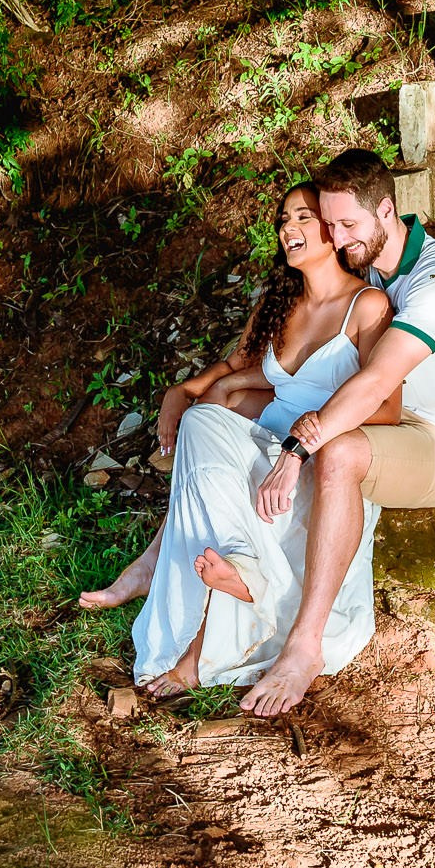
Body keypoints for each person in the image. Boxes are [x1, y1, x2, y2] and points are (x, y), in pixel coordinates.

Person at [79, 182, 397, 695]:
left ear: (334, 230)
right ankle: (226, 567)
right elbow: (237, 365)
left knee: (214, 421)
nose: (287, 229)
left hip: (318, 467)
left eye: (302, 217)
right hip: (263, 452)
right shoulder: (282, 302)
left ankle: (194, 632)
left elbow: (387, 408)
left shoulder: (367, 306)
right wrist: (183, 390)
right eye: (282, 220)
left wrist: (311, 429)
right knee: (203, 418)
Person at [239, 148, 435, 717]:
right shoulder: (370, 266)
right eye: (328, 224)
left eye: (347, 225)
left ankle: (305, 647)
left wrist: (297, 447)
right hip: (392, 427)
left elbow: (379, 378)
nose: (336, 237)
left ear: (387, 211)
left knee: (337, 452)